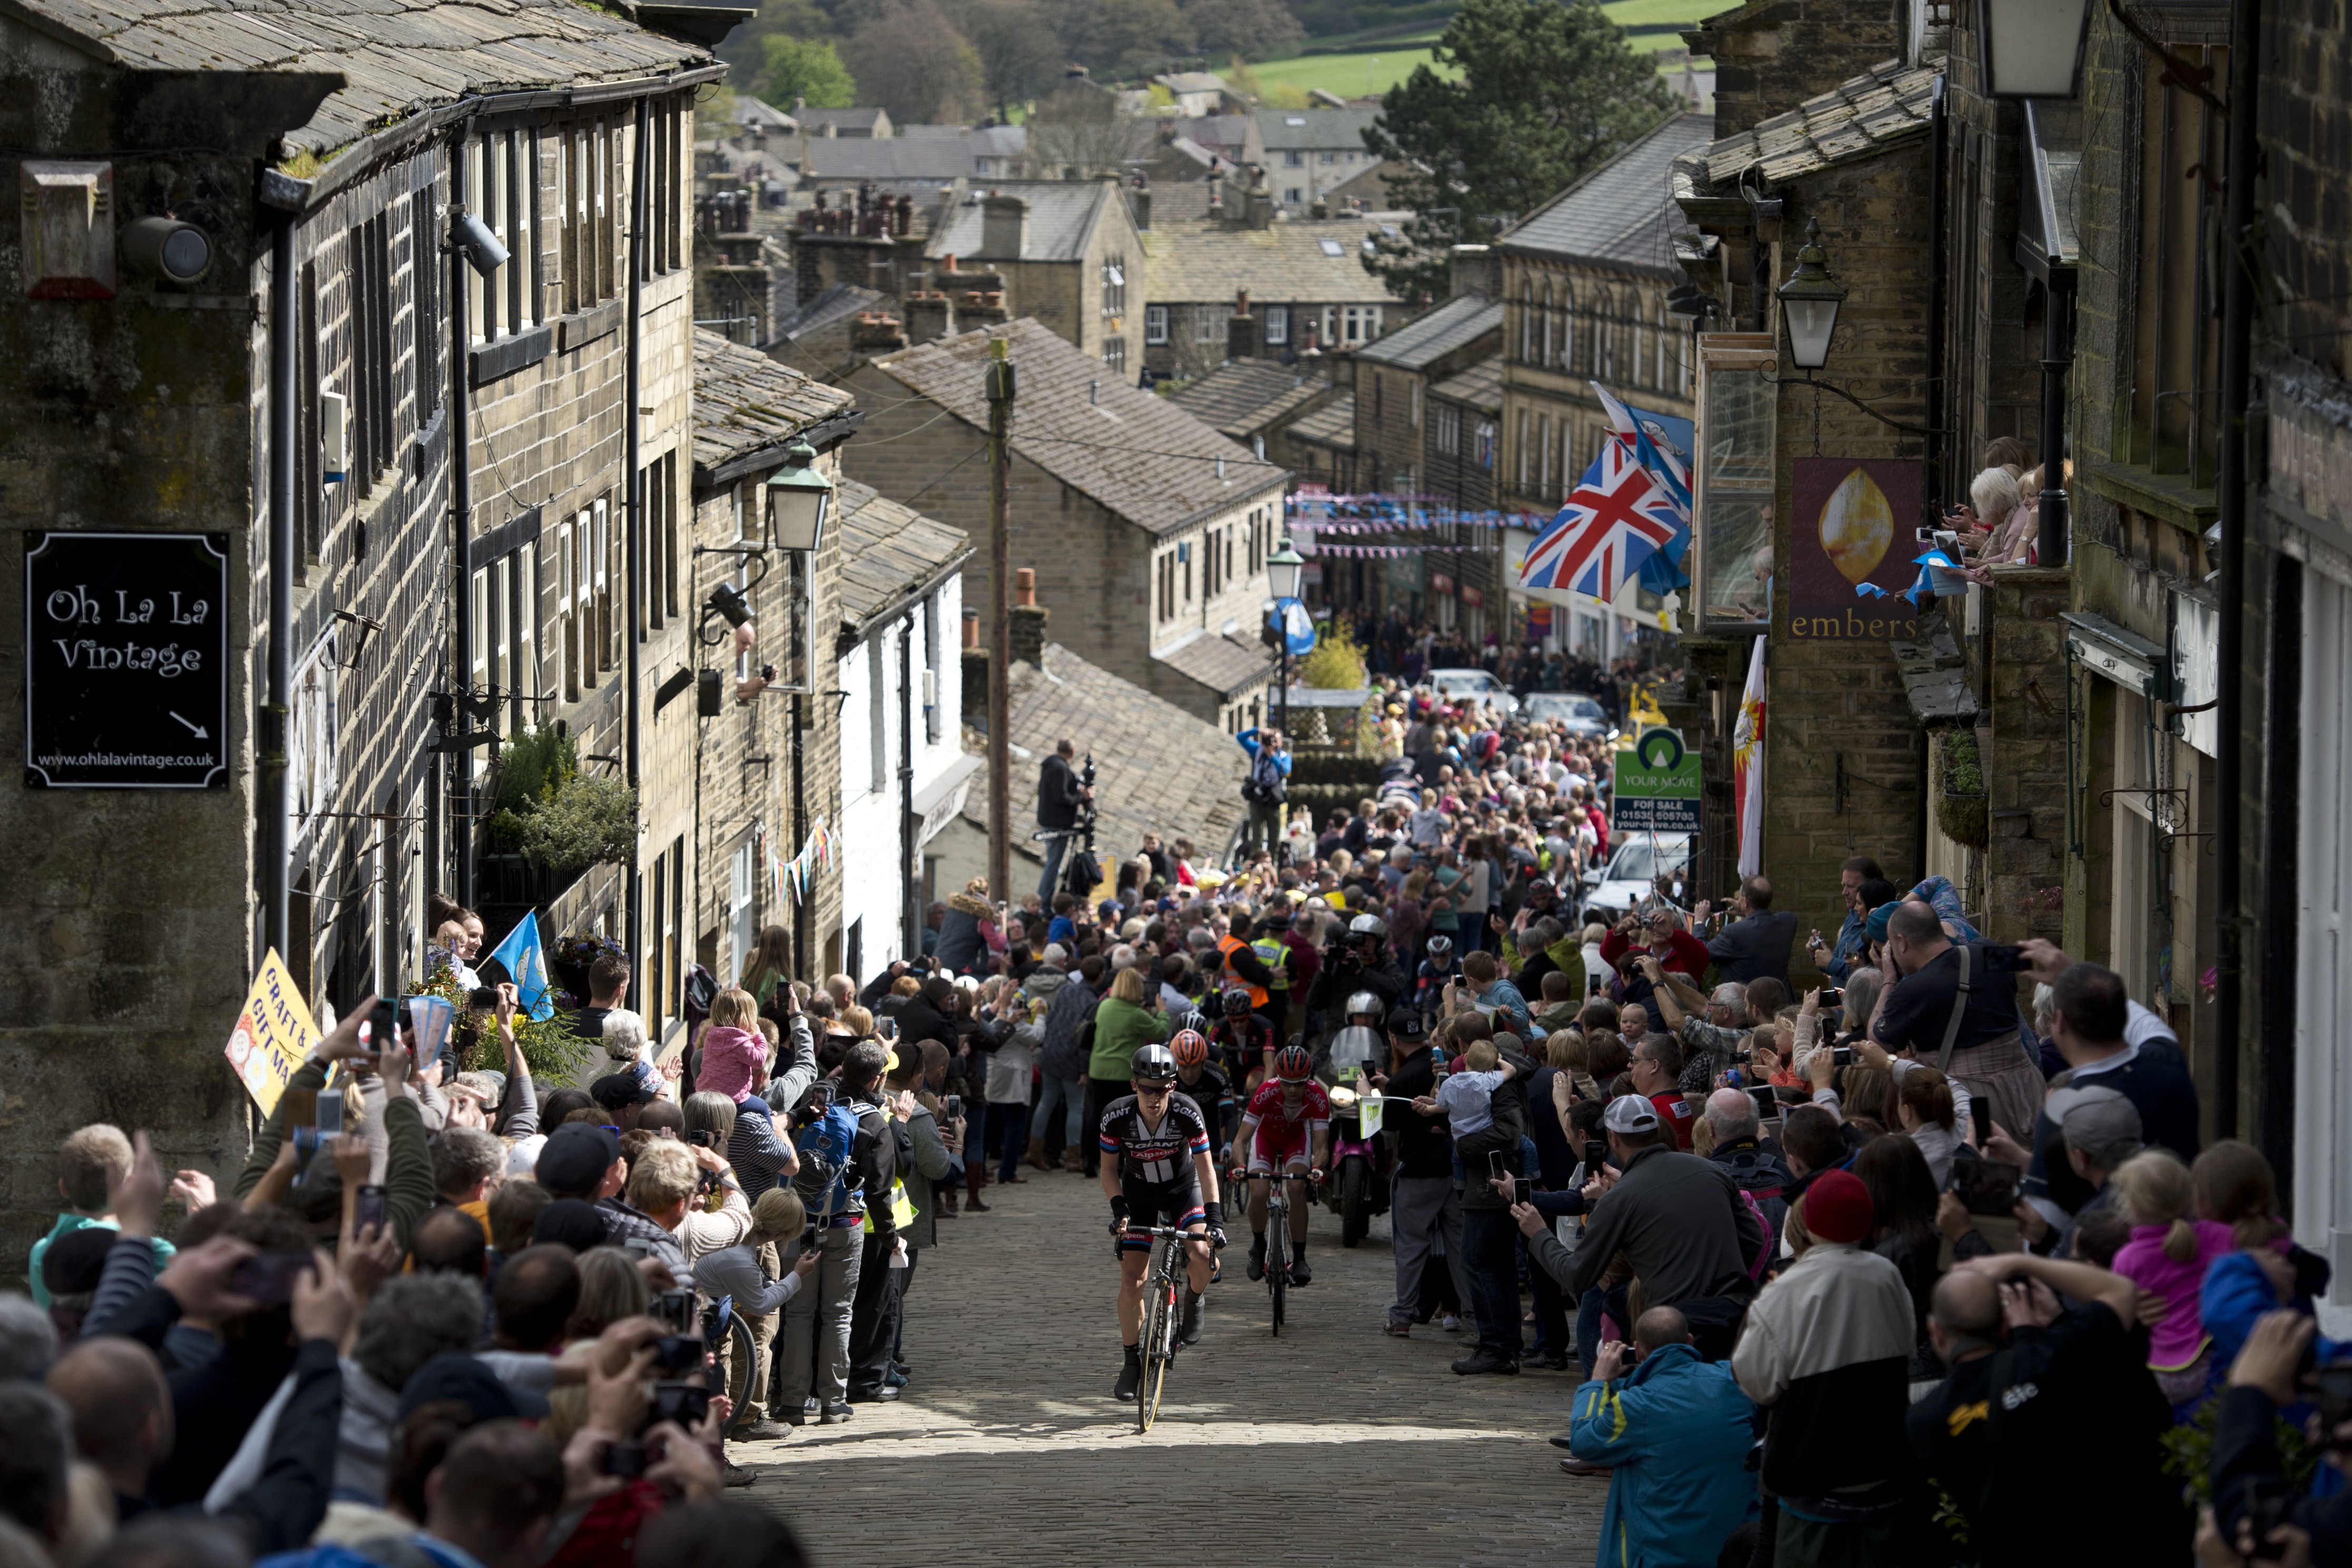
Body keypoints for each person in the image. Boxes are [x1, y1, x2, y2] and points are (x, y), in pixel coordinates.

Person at [1910, 1251, 2187, 1567]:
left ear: (1936, 1331)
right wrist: (2020, 1262)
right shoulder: (2052, 1357)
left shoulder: (1925, 1420)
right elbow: (2121, 1290)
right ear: (2005, 1321)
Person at [1732, 1168, 1923, 1562]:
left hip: (1811, 1488)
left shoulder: (1785, 1291)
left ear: (1810, 1222)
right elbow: (1908, 1353)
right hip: (1885, 1479)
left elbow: (1756, 1384)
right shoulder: (1888, 1276)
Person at [1538, 1095, 1766, 1358]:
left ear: (1613, 1139)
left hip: (1673, 1330)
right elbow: (1754, 1239)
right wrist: (1723, 1282)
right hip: (1732, 1319)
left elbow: (1576, 1275)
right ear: (1657, 1129)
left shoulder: (1618, 1199)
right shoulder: (1711, 1170)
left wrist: (1538, 1232)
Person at [1563, 1307, 1758, 1564]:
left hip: (1662, 1552)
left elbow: (1582, 1441)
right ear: (1690, 1341)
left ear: (1638, 1350)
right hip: (1733, 1549)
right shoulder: (1734, 1383)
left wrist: (1597, 1382)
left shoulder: (1633, 1406)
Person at [2020, 960, 2200, 1230]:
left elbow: (2043, 1224)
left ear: (2060, 1021)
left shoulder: (2065, 1110)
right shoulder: (2168, 1063)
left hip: (2106, 1247)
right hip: (2186, 1232)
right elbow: (2144, 1022)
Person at [1098, 1042, 1222, 1397]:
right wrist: (1120, 1210)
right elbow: (1108, 1170)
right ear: (1134, 1085)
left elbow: (1206, 1169)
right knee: (1132, 1280)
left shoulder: (1187, 1112)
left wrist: (1214, 1219)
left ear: (1173, 1087)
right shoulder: (1115, 1116)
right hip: (1139, 1192)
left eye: (1163, 1089)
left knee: (1203, 1257)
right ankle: (1131, 1362)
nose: (1155, 1097)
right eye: (1147, 1089)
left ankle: (1194, 1299)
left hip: (1183, 1188)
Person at [1869, 900, 2048, 1142]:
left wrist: (1889, 979)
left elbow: (1877, 1041)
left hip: (1970, 1102)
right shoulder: (1988, 949)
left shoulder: (1910, 991)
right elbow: (2016, 979)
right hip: (2028, 1090)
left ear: (1901, 943)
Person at [1376, 1010, 1468, 1338]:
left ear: (1394, 1039)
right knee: (1461, 1248)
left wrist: (1374, 1095)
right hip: (1457, 1170)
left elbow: (1387, 1125)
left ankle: (1403, 1316)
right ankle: (1474, 1317)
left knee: (1411, 1247)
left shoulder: (1403, 1078)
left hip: (1419, 1172)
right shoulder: (1452, 1064)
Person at [1238, 1044, 1330, 1288]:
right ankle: (1258, 1245)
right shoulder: (1266, 1092)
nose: (1293, 1089)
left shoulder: (1318, 1096)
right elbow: (1240, 1140)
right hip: (1266, 1138)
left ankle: (1299, 1258)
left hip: (1295, 1139)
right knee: (1259, 1192)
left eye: (1299, 1083)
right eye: (1287, 1083)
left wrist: (1317, 1167)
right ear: (1278, 1079)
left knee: (1297, 1189)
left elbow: (1322, 1147)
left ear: (1308, 1079)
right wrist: (1240, 1166)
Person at [1085, 968, 1168, 1179]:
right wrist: (1162, 1012)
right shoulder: (1136, 1014)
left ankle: (1089, 1160)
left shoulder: (1104, 1006)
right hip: (1123, 1073)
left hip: (1099, 1069)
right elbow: (1160, 1031)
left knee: (1097, 1115)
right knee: (1126, 1119)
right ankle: (1123, 1162)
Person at [1700, 876, 1797, 986]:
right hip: (1781, 996)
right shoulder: (1789, 921)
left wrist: (1700, 922)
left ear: (1746, 901)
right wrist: (1745, 911)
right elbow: (1763, 923)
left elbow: (1702, 952)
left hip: (1746, 997)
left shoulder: (1733, 933)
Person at [1808, 856, 1885, 985]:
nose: (1844, 892)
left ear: (1870, 888)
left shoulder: (1879, 928)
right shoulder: (1853, 918)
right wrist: (1819, 953)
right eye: (1844, 886)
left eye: (1851, 886)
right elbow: (1849, 962)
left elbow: (1871, 978)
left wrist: (1832, 963)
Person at [1037, 738, 1092, 901]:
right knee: (1054, 865)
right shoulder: (1060, 768)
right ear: (1073, 752)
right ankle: (1043, 902)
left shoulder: (1051, 765)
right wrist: (1081, 797)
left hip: (1050, 821)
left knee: (1054, 864)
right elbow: (1061, 796)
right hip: (1057, 824)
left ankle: (1044, 900)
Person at [1237, 727, 1290, 857]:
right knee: (1257, 835)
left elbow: (1285, 771)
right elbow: (1240, 737)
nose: (1273, 744)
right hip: (1257, 797)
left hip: (1273, 798)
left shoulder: (1284, 757)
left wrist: (1272, 756)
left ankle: (1271, 862)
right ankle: (1255, 861)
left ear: (1281, 742)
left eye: (1276, 741)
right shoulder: (1258, 750)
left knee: (1274, 836)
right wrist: (1258, 730)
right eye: (1270, 741)